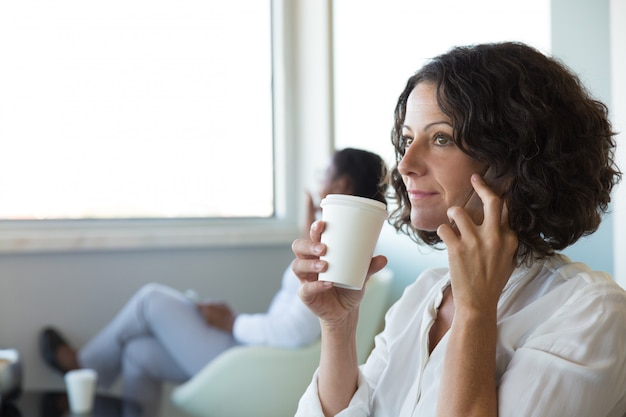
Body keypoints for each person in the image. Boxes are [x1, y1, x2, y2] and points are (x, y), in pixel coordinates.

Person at [291, 42, 626, 417]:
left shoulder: (592, 311)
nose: (405, 164)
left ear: (515, 158)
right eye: (406, 140)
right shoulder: (423, 295)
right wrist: (338, 324)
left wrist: (476, 311)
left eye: (440, 139)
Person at [38, 147, 388, 417]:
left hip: (259, 366)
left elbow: (292, 333)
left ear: (341, 185)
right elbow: (297, 317)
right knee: (138, 354)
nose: (316, 180)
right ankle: (87, 368)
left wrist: (233, 322)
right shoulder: (345, 251)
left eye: (322, 173)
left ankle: (83, 366)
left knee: (150, 300)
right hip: (256, 355)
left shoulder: (343, 263)